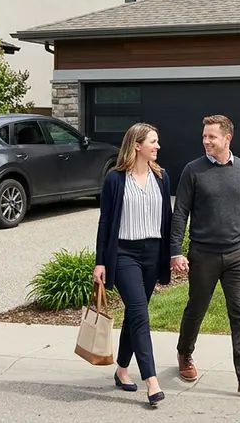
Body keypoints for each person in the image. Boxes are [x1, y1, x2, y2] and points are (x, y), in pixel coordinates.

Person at [169, 114, 240, 399]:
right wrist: (176, 251)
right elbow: (180, 214)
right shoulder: (193, 170)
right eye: (204, 136)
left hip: (238, 254)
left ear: (227, 138)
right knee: (196, 309)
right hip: (203, 254)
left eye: (212, 136)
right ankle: (185, 354)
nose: (206, 141)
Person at [93, 122, 173, 407]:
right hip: (124, 253)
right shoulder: (115, 179)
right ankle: (151, 381)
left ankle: (122, 369)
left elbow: (168, 218)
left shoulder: (161, 177)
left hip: (152, 252)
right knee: (140, 313)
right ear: (137, 145)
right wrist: (100, 261)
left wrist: (172, 253)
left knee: (135, 314)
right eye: (153, 141)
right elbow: (104, 223)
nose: (158, 146)